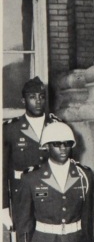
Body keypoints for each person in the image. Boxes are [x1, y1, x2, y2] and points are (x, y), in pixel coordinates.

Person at [2, 76, 62, 229]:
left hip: (52, 197)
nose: (38, 101)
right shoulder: (10, 129)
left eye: (41, 97)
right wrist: (3, 208)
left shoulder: (56, 126)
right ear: (23, 101)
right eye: (32, 97)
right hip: (22, 199)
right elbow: (2, 172)